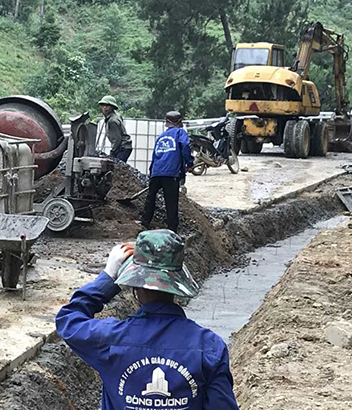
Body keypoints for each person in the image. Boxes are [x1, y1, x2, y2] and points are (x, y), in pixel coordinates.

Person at [56, 229, 240, 410]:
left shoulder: (110, 339)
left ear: (136, 286)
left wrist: (107, 279)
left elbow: (68, 320)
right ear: (177, 286)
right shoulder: (209, 346)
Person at [140, 111, 193, 233]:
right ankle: (172, 229)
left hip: (156, 171)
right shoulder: (180, 133)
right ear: (180, 122)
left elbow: (154, 155)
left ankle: (145, 222)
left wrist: (151, 172)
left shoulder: (161, 136)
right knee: (171, 201)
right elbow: (185, 146)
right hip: (171, 172)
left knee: (150, 198)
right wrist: (189, 162)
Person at [99, 95, 132, 162]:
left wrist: (112, 152)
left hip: (123, 147)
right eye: (103, 105)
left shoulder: (112, 120)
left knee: (117, 168)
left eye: (107, 106)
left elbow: (117, 139)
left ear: (112, 107)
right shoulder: (113, 117)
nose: (105, 108)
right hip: (124, 146)